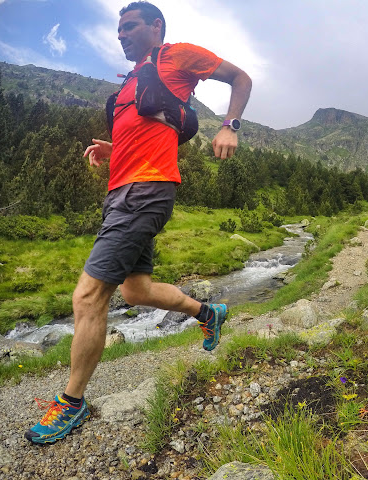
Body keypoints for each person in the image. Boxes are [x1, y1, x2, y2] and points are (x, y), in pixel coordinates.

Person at [25, 1, 252, 444]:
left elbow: (241, 78)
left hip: (146, 190)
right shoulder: (132, 79)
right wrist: (115, 148)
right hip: (121, 191)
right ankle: (209, 313)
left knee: (89, 296)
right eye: (118, 29)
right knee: (135, 289)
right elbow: (148, 126)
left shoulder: (178, 55)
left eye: (129, 27)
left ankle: (72, 402)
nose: (121, 35)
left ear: (156, 27)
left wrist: (231, 125)